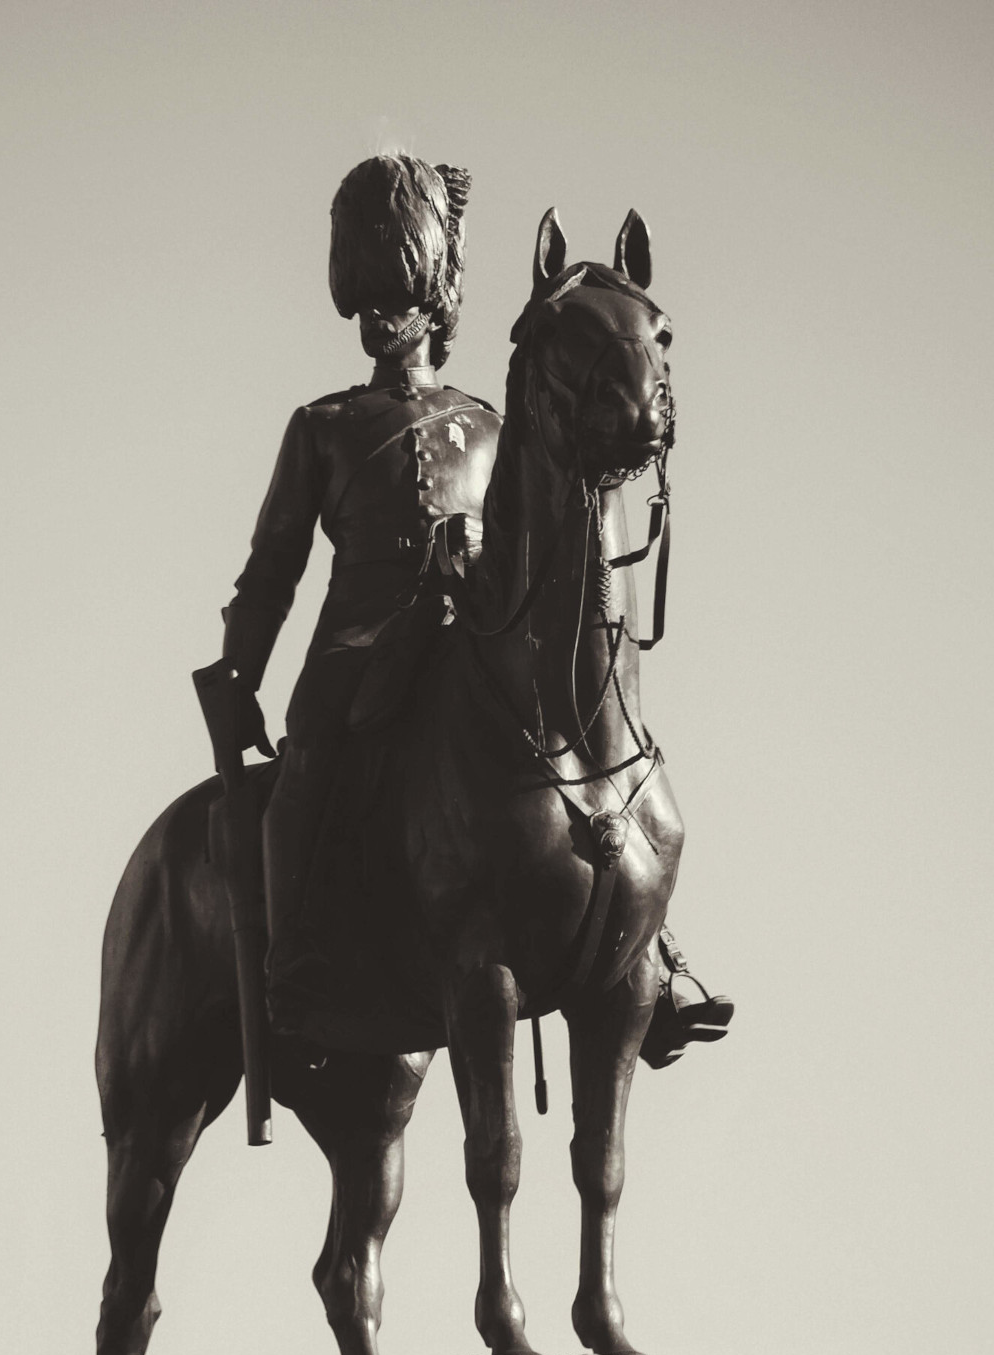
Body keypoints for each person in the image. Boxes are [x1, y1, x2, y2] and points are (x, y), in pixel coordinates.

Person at [220, 153, 731, 1057]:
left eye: (400, 296)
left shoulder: (495, 424)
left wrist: (482, 559)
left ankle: (647, 946)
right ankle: (293, 958)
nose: (382, 315)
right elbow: (273, 569)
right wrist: (240, 670)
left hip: (480, 625)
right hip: (359, 642)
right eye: (369, 296)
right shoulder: (324, 426)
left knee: (601, 752)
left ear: (435, 301)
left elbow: (536, 530)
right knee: (309, 762)